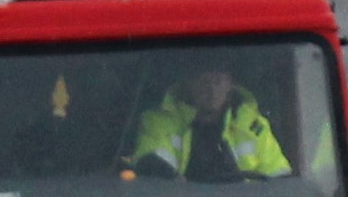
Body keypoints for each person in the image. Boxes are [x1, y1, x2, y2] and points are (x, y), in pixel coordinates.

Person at [122, 67, 291, 182]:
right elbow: (154, 171)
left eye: (218, 81)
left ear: (230, 84)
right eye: (204, 81)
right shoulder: (159, 122)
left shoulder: (253, 125)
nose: (211, 90)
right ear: (188, 85)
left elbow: (279, 179)